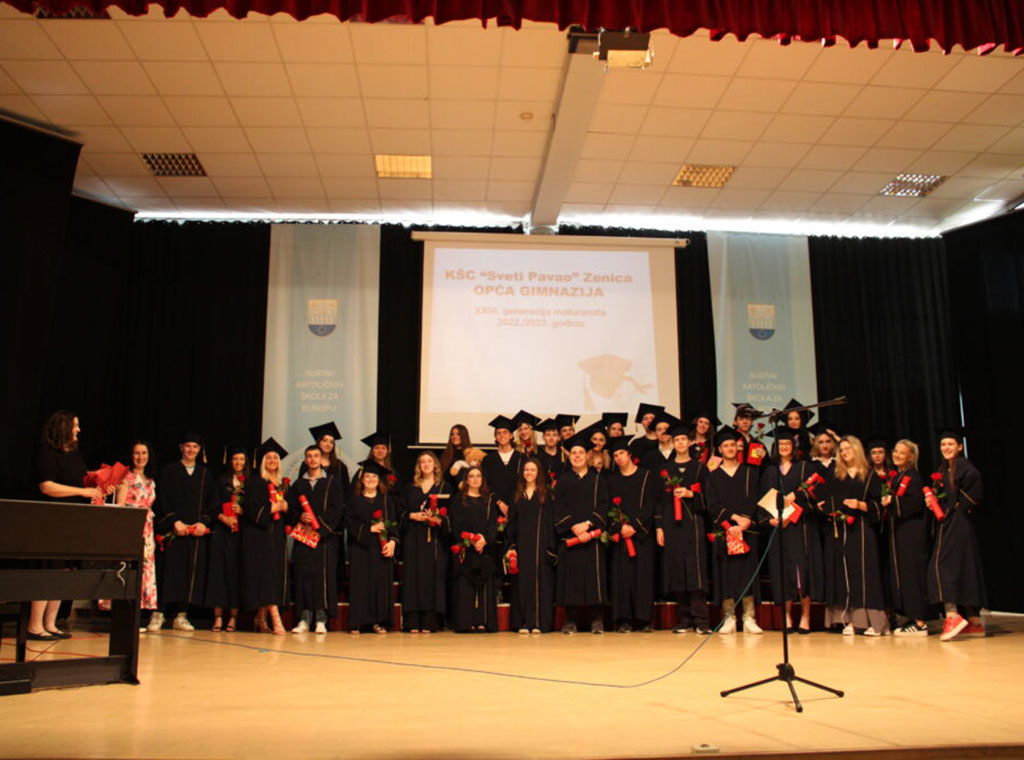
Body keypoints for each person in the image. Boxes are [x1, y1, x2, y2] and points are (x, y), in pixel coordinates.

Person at [34, 411, 104, 640]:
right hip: (52, 520)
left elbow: (82, 479)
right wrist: (82, 492)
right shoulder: (48, 452)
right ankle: (35, 625)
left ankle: (50, 623)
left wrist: (99, 485)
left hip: (71, 520)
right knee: (48, 571)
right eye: (75, 426)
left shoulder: (74, 453)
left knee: (63, 572)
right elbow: (47, 486)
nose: (78, 430)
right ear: (64, 428)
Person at [757, 428, 824, 634]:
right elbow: (763, 500)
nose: (784, 447)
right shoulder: (770, 471)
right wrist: (771, 520)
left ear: (794, 447)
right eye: (780, 444)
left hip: (802, 527)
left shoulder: (804, 468)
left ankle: (805, 616)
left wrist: (796, 498)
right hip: (779, 529)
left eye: (787, 444)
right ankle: (786, 616)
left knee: (804, 571)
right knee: (782, 571)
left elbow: (816, 496)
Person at [825, 436, 888, 636]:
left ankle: (872, 622)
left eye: (848, 449)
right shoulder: (836, 475)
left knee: (864, 573)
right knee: (844, 573)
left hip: (862, 529)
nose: (844, 453)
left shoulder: (869, 476)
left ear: (856, 450)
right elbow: (827, 499)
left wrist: (860, 505)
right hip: (841, 529)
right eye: (841, 450)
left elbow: (879, 505)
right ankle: (850, 620)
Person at [927, 428, 986, 641]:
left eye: (950, 444)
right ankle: (974, 621)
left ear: (960, 446)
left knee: (941, 566)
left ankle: (952, 616)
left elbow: (975, 486)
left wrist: (960, 507)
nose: (946, 448)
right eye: (943, 444)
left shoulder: (962, 466)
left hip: (957, 523)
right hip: (952, 522)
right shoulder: (947, 469)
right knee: (963, 567)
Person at [152, 432, 214, 632]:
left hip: (194, 534)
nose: (191, 450)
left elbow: (211, 503)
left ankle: (181, 615)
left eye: (195, 447)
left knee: (189, 573)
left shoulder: (205, 474)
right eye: (188, 446)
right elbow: (162, 498)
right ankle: (159, 613)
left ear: (199, 450)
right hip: (174, 531)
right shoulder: (169, 471)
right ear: (181, 447)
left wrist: (203, 523)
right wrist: (174, 521)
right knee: (167, 571)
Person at [705, 427, 762, 634]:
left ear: (738, 448)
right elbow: (712, 505)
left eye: (732, 445)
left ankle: (749, 617)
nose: (729, 448)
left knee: (747, 574)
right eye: (725, 445)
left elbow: (754, 500)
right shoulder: (712, 476)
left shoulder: (749, 473)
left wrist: (745, 521)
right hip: (725, 530)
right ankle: (729, 617)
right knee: (725, 574)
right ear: (719, 449)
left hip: (746, 532)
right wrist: (734, 519)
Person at [656, 424, 710, 634]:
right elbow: (659, 502)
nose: (680, 443)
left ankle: (701, 620)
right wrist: (659, 528)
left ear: (689, 442)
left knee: (695, 570)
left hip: (693, 523)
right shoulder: (665, 470)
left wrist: (691, 495)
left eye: (683, 440)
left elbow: (709, 497)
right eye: (676, 440)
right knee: (677, 569)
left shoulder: (699, 468)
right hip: (672, 525)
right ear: (672, 443)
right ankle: (684, 619)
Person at [553, 432, 609, 634]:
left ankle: (597, 619)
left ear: (587, 456)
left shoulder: (598, 480)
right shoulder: (563, 481)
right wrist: (573, 527)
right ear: (569, 457)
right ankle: (571, 619)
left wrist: (588, 524)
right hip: (571, 537)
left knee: (594, 578)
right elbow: (558, 507)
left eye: (581, 452)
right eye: (573, 453)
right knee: (572, 579)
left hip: (592, 537)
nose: (577, 456)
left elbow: (604, 505)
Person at [288, 445, 345, 634]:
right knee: (303, 576)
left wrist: (321, 528)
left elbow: (337, 509)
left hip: (324, 539)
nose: (313, 459)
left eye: (316, 456)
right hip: (304, 537)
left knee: (323, 578)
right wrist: (300, 517)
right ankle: (304, 619)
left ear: (321, 459)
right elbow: (291, 509)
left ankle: (321, 619)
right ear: (305, 460)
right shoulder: (298, 485)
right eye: (309, 456)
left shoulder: (332, 482)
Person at [606, 437, 657, 633]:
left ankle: (644, 619)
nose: (619, 458)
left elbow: (651, 504)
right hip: (621, 537)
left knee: (643, 578)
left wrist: (635, 526)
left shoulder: (646, 476)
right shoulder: (611, 481)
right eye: (615, 455)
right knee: (622, 578)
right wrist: (620, 527)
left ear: (629, 455)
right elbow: (608, 507)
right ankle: (624, 619)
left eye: (621, 454)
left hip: (642, 536)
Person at [242, 438, 290, 635]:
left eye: (275, 458)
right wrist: (272, 508)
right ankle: (276, 619)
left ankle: (260, 618)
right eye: (268, 457)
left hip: (277, 534)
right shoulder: (255, 482)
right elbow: (251, 509)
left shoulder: (282, 484)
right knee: (266, 576)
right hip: (259, 535)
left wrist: (286, 507)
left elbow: (290, 512)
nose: (272, 461)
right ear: (263, 461)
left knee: (274, 575)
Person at [399, 451, 451, 633]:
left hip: (435, 539)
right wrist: (412, 516)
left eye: (430, 461)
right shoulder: (409, 488)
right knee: (413, 576)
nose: (426, 464)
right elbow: (400, 512)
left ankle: (431, 620)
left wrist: (437, 519)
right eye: (422, 462)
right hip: (414, 537)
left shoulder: (444, 487)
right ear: (418, 466)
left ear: (435, 464)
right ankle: (412, 620)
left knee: (433, 577)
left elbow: (451, 515)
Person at [506, 458, 557, 634]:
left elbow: (550, 522)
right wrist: (511, 545)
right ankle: (524, 622)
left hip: (540, 545)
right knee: (522, 583)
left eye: (532, 470)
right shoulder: (516, 495)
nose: (529, 473)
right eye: (526, 470)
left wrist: (550, 546)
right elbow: (511, 522)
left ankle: (538, 623)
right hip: (522, 545)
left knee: (540, 583)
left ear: (538, 473)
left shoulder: (545, 494)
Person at [886, 439, 931, 637]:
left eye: (902, 453)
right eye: (895, 451)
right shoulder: (899, 476)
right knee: (905, 575)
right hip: (901, 533)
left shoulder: (913, 476)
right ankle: (912, 617)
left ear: (911, 457)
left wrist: (892, 501)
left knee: (913, 574)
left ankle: (920, 622)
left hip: (912, 533)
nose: (897, 455)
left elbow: (914, 503)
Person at [348, 460, 397, 635]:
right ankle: (358, 622)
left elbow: (393, 523)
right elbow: (349, 524)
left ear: (379, 480)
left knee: (380, 584)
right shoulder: (354, 500)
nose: (370, 480)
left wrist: (392, 542)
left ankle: (379, 622)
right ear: (362, 480)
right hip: (361, 549)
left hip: (381, 549)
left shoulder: (386, 500)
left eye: (374, 477)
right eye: (367, 476)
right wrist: (369, 529)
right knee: (361, 584)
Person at [449, 465, 499, 632]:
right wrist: (469, 538)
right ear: (466, 480)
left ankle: (483, 621)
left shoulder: (489, 500)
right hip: (466, 548)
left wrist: (485, 539)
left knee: (484, 585)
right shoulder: (459, 499)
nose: (475, 479)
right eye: (471, 476)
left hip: (484, 548)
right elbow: (455, 524)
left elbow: (493, 523)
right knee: (465, 587)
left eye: (478, 476)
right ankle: (466, 621)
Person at [116, 440, 159, 631]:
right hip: (131, 527)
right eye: (136, 453)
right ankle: (125, 617)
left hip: (147, 529)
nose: (140, 457)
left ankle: (137, 617)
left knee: (144, 571)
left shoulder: (150, 479)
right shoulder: (126, 477)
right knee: (129, 569)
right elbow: (120, 507)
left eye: (144, 453)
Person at [205, 445, 247, 632]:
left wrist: (242, 511)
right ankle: (218, 617)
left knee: (236, 575)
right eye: (235, 459)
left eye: (241, 459)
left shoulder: (249, 483)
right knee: (219, 574)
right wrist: (224, 518)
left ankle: (233, 618)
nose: (238, 462)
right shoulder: (221, 481)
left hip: (241, 536)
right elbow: (212, 508)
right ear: (230, 461)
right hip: (222, 534)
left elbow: (254, 509)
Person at [480, 415, 524, 518]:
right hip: (494, 507)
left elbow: (523, 483)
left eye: (505, 432)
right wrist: (499, 502)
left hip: (517, 506)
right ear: (495, 437)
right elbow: (486, 484)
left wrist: (512, 504)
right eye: (498, 433)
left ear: (511, 436)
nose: (501, 435)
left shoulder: (521, 458)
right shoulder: (488, 460)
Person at [730, 403, 768, 469]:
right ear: (735, 422)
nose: (745, 422)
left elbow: (766, 468)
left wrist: (765, 456)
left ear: (752, 422)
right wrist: (732, 450)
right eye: (741, 419)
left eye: (748, 419)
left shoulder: (758, 444)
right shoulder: (729, 441)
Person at [535, 418, 567, 484]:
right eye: (548, 435)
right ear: (543, 437)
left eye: (554, 435)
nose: (551, 438)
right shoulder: (536, 456)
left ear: (559, 438)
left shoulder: (564, 456)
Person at [440, 424, 472, 489]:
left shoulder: (470, 454)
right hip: (448, 491)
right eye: (452, 434)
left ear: (464, 436)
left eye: (458, 434)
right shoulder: (446, 455)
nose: (454, 437)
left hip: (464, 491)